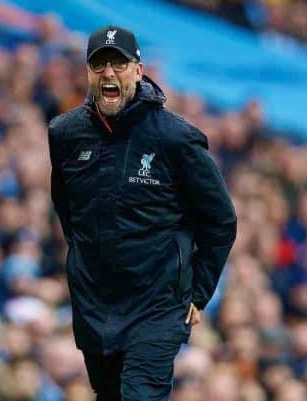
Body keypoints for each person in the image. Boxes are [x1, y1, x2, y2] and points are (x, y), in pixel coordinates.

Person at [47, 25, 237, 401]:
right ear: (88, 73)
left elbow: (221, 219)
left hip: (157, 306)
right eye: (98, 65)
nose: (108, 74)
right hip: (94, 304)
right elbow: (67, 208)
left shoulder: (175, 138)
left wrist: (197, 292)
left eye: (118, 64)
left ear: (138, 70)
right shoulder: (65, 133)